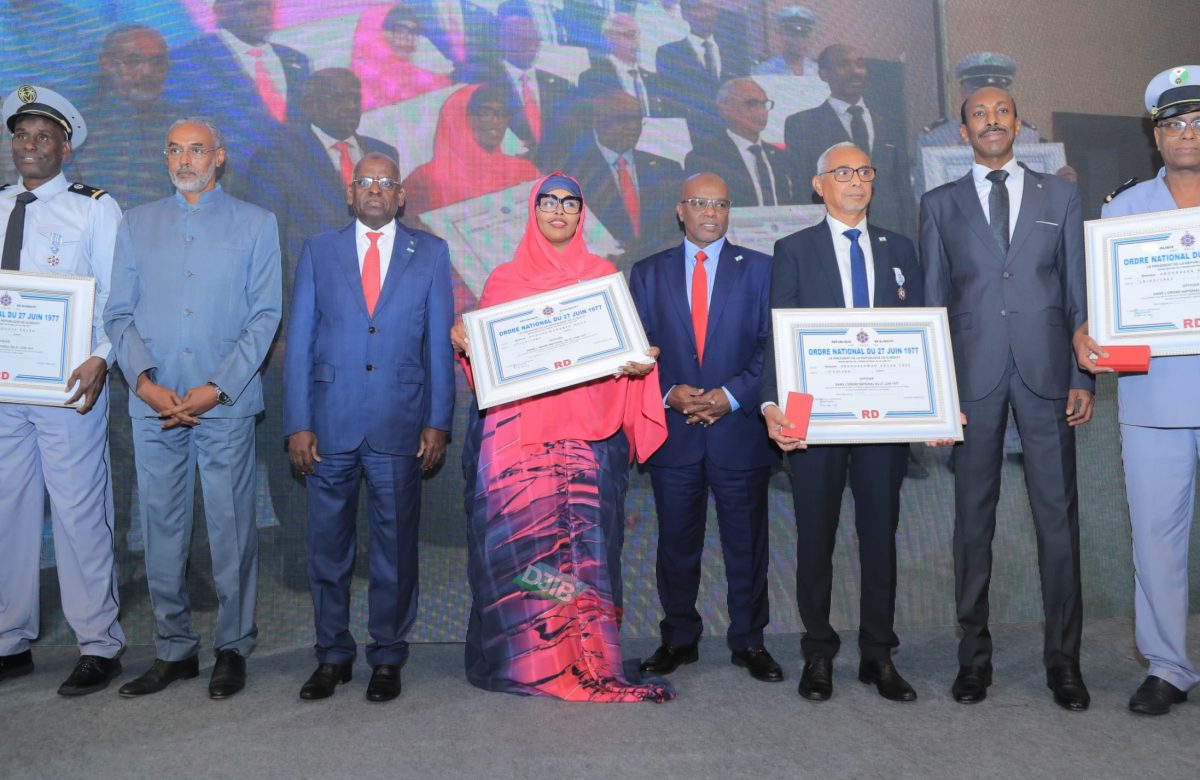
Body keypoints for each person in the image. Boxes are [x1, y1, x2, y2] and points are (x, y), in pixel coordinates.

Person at [451, 173, 673, 702]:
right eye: (547, 202)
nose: (558, 211)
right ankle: (529, 658)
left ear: (580, 214)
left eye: (569, 203)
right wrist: (466, 343)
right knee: (528, 558)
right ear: (534, 211)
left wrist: (637, 364)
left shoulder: (602, 279)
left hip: (585, 442)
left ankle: (585, 656)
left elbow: (623, 358)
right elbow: (491, 372)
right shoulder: (504, 280)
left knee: (583, 555)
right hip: (519, 447)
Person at [920, 86, 1093, 710]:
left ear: (1019, 124)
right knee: (972, 522)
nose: (991, 121)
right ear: (963, 132)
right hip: (972, 379)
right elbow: (933, 307)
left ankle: (1064, 663)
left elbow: (1078, 293)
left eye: (1002, 111)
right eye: (978, 115)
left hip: (1049, 374)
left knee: (1058, 521)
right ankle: (974, 659)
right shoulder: (938, 204)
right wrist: (937, 396)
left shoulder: (1063, 196)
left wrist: (1083, 376)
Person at [105, 117, 282, 700]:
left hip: (223, 405)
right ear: (165, 157)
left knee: (231, 530)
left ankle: (232, 646)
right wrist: (145, 383)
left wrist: (216, 388)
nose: (186, 160)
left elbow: (264, 318)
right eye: (175, 150)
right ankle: (173, 649)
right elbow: (118, 315)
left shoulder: (257, 224)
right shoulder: (136, 224)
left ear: (220, 157)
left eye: (197, 150)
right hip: (155, 404)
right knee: (161, 530)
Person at [283, 152, 453, 702]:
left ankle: (387, 655)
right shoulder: (319, 251)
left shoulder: (430, 252)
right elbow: (300, 343)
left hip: (400, 424)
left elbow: (439, 348)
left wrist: (438, 420)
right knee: (327, 550)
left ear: (401, 196)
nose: (376, 190)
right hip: (328, 426)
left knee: (395, 549)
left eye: (387, 182)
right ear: (351, 194)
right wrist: (298, 422)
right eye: (366, 182)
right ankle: (332, 655)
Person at [761, 142, 922, 702]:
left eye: (864, 172)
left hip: (884, 419)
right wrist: (770, 406)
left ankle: (879, 655)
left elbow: (922, 336)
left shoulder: (901, 248)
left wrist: (935, 404)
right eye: (843, 173)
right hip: (814, 417)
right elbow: (777, 337)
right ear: (819, 184)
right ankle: (819, 652)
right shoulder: (793, 249)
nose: (856, 181)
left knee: (880, 536)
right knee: (816, 537)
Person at [1075, 66, 1200, 716]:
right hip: (1154, 398)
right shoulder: (1124, 209)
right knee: (1155, 535)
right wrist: (1089, 334)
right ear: (1157, 135)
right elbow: (1108, 309)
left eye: (1198, 122)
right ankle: (1168, 665)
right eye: (1174, 123)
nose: (1187, 133)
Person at [629, 172, 780, 683]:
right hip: (674, 431)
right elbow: (639, 344)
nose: (710, 212)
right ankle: (678, 638)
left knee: (748, 545)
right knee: (675, 544)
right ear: (680, 210)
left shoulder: (761, 270)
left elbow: (770, 346)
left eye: (720, 204)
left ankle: (750, 640)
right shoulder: (647, 273)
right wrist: (670, 392)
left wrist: (731, 395)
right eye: (699, 203)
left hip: (738, 431)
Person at [0, 85, 126, 696]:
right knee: (7, 515)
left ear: (65, 145)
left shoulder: (94, 208)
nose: (30, 147)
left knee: (79, 515)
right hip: (4, 388)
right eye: (21, 136)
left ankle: (99, 644)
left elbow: (115, 297)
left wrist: (102, 358)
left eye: (42, 136)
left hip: (69, 384)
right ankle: (9, 640)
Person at [166, 0, 311, 187]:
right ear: (221, 10)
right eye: (251, 6)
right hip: (229, 193)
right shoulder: (186, 61)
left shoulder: (296, 61)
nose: (262, 14)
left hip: (298, 193)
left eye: (268, 6)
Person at [784, 44, 915, 236]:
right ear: (823, 74)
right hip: (833, 237)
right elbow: (804, 189)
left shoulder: (889, 122)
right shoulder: (802, 124)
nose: (855, 71)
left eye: (860, 64)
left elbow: (903, 189)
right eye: (843, 65)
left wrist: (909, 246)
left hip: (887, 237)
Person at [562, 90, 683, 268]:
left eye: (636, 119)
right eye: (623, 119)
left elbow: (678, 228)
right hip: (607, 271)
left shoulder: (667, 168)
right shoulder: (573, 175)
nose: (633, 126)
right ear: (597, 121)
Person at [72, 25, 187, 210]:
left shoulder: (188, 128)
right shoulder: (76, 128)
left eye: (157, 62)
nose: (147, 71)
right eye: (133, 61)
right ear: (107, 64)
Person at [401, 82, 539, 221]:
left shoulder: (524, 170)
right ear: (458, 117)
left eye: (502, 113)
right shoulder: (426, 178)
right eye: (485, 113)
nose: (497, 121)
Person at [477, 1, 577, 170]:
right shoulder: (483, 87)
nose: (530, 45)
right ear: (502, 40)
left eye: (533, 38)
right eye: (520, 39)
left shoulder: (561, 86)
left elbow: (574, 138)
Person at [685, 78, 794, 207]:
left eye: (764, 104)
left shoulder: (781, 156)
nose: (761, 111)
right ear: (725, 109)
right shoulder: (705, 157)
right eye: (752, 103)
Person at [655, 0, 750, 138]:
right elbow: (672, 105)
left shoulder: (734, 51)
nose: (706, 14)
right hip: (694, 141)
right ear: (685, 13)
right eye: (698, 8)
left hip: (735, 139)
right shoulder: (669, 54)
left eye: (710, 7)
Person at [350, 5, 454, 111]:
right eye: (399, 30)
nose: (407, 38)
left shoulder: (417, 79)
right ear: (377, 35)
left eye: (413, 32)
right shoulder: (354, 92)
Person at [576, 14, 664, 117]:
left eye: (638, 35)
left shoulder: (653, 80)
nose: (636, 41)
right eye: (629, 35)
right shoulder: (593, 78)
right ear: (609, 38)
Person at [751, 6, 819, 77]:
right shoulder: (764, 71)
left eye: (803, 36)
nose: (797, 41)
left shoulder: (819, 72)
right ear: (781, 36)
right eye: (791, 35)